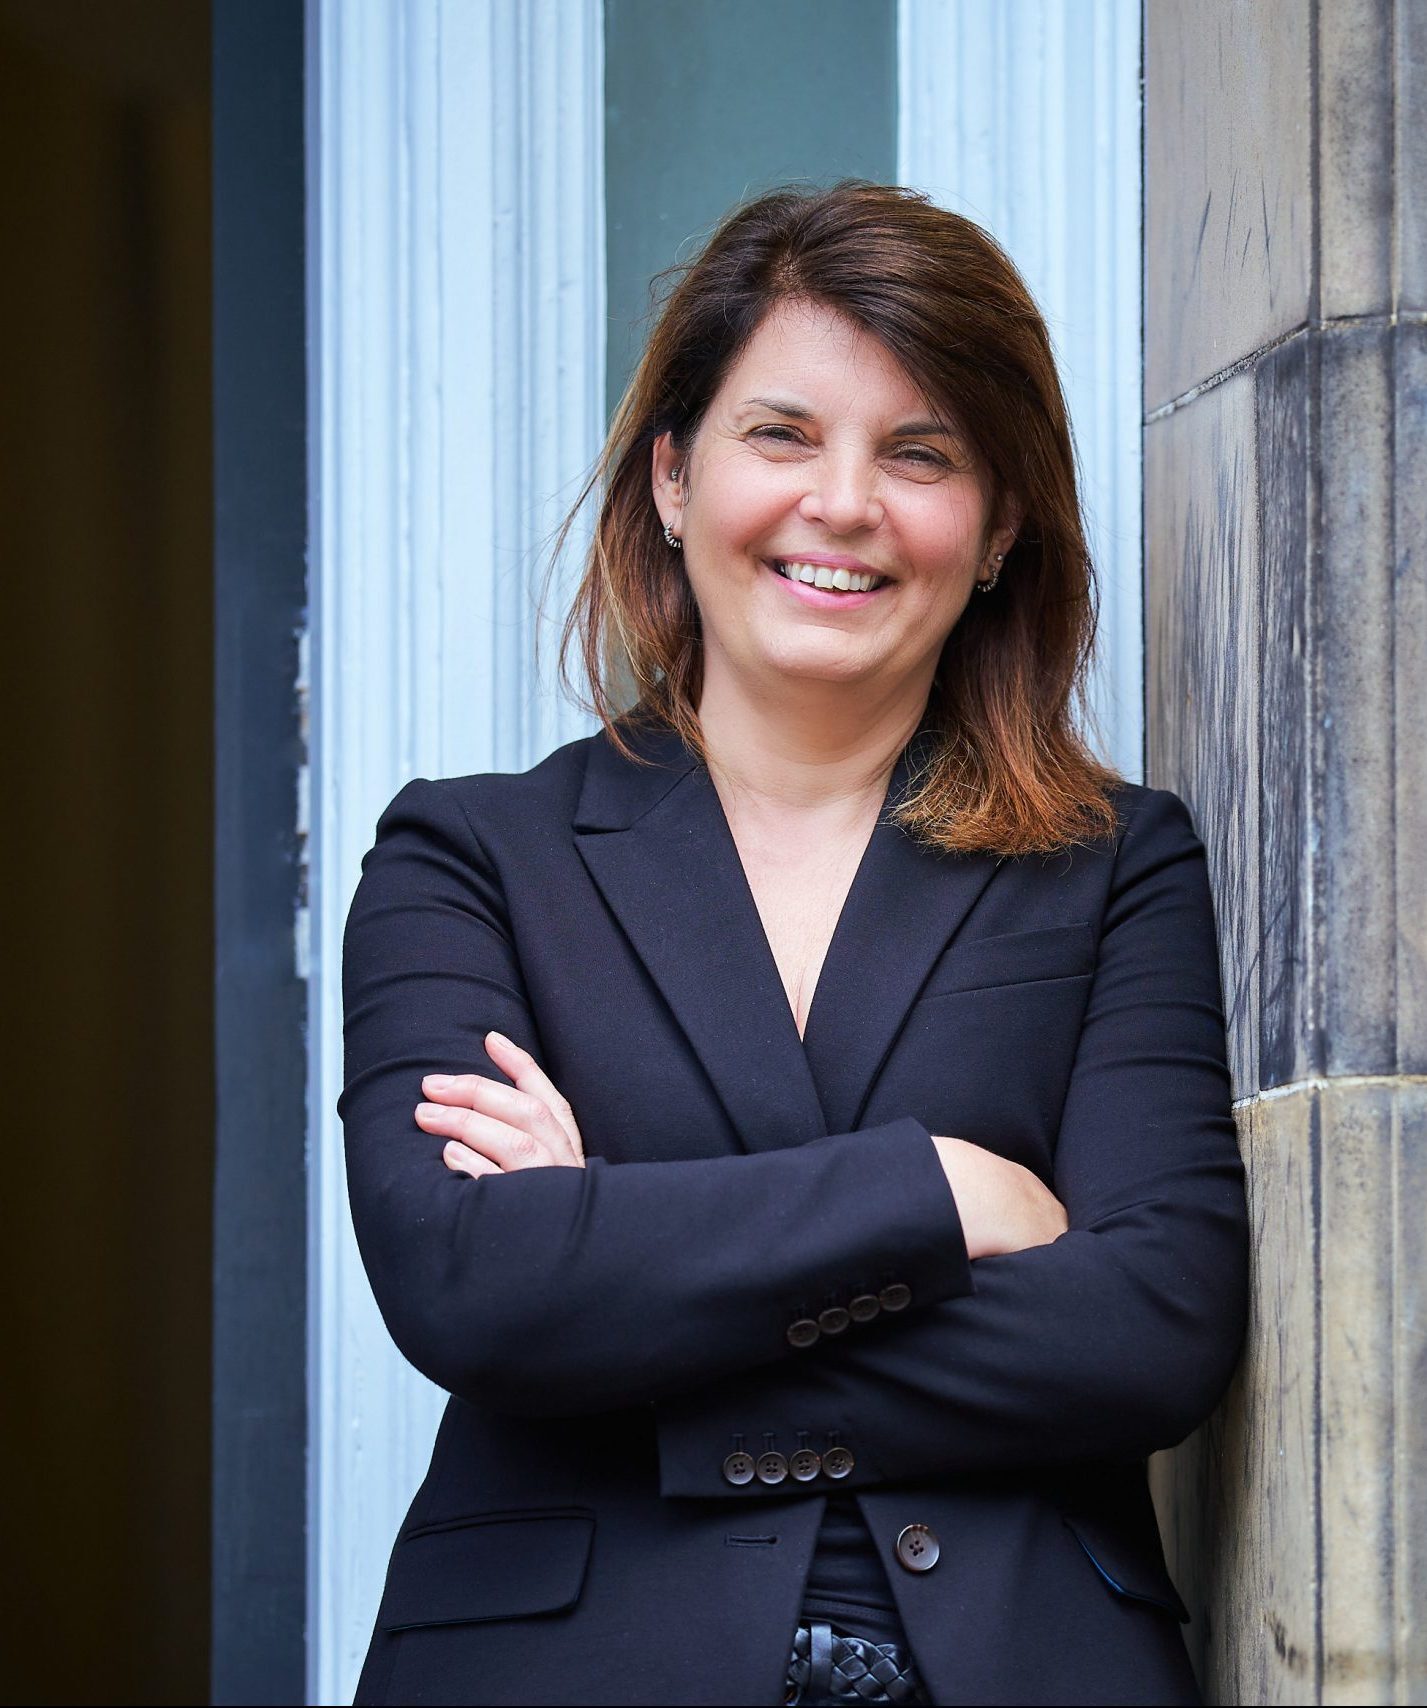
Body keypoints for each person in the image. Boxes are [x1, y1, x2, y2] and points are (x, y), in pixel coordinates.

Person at [339, 180, 1249, 1707]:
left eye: (921, 453)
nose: (844, 502)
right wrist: (937, 1190)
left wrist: (620, 1266)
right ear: (676, 477)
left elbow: (1150, 1327)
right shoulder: (469, 856)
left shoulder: (1114, 865)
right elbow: (468, 1282)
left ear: (1001, 526)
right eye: (782, 435)